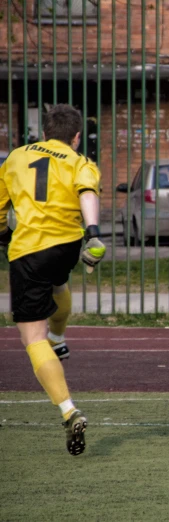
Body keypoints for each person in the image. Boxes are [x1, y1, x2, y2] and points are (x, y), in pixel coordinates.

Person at [0, 104, 106, 455]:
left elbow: (0, 208)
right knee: (58, 284)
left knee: (32, 336)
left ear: (43, 133)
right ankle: (59, 338)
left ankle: (68, 410)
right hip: (67, 244)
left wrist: (3, 234)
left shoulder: (15, 157)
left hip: (29, 249)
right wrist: (92, 234)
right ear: (76, 137)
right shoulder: (80, 162)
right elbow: (86, 193)